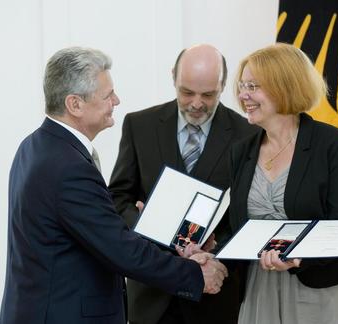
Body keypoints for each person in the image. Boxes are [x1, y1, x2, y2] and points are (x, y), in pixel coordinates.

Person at [0, 46, 228, 324]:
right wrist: (193, 274)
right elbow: (120, 249)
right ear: (75, 104)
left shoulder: (36, 145)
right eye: (107, 95)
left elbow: (93, 231)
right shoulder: (68, 167)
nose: (116, 101)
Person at [109, 44, 257, 324]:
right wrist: (147, 223)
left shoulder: (249, 134)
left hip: (216, 296)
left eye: (208, 94)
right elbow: (117, 197)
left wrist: (214, 253)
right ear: (173, 78)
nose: (196, 103)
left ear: (224, 85)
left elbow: (249, 213)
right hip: (151, 296)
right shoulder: (139, 125)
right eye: (187, 92)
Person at [228, 43, 338, 324]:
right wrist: (204, 247)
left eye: (253, 86)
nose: (243, 95)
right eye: (242, 85)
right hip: (261, 289)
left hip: (320, 290)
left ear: (284, 86)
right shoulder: (242, 150)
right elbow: (238, 225)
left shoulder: (334, 144)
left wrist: (298, 258)